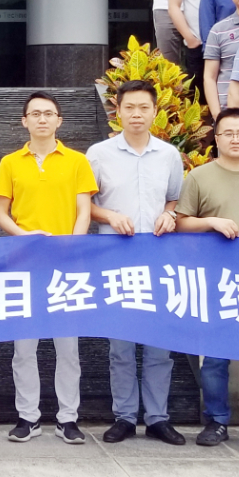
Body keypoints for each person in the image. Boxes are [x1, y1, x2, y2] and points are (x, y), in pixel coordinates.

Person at [0, 91, 97, 446]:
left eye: (48, 113)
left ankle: (68, 419)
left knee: (67, 348)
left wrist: (72, 245)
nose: (42, 119)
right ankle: (28, 417)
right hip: (23, 263)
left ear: (59, 120)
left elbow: (84, 211)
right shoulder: (10, 163)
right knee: (24, 348)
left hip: (66, 266)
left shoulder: (77, 161)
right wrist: (25, 236)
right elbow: (0, 213)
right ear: (24, 121)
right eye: (35, 113)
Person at [174, 107, 239, 450]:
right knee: (215, 358)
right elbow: (180, 223)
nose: (235, 139)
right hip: (214, 278)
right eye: (228, 133)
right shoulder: (199, 177)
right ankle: (216, 421)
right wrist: (211, 223)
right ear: (216, 139)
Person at [87, 80, 185, 445]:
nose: (137, 114)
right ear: (118, 111)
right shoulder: (98, 154)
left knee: (160, 342)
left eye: (144, 107)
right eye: (129, 107)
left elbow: (174, 199)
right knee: (121, 345)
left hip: (158, 254)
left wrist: (169, 215)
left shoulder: (169, 155)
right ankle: (125, 416)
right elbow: (84, 204)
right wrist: (110, 216)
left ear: (155, 111)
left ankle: (158, 418)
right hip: (116, 256)